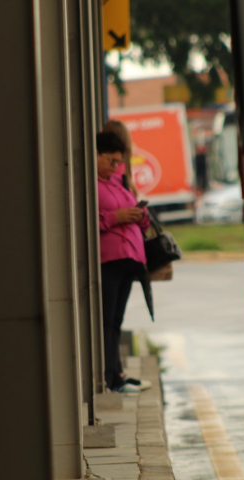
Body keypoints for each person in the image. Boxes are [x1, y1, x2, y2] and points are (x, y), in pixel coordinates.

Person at [97, 131, 151, 393]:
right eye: (111, 161)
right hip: (109, 260)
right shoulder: (90, 186)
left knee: (117, 319)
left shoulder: (119, 183)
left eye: (119, 162)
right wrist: (115, 217)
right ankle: (109, 378)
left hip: (129, 259)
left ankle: (116, 374)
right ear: (95, 156)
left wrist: (139, 215)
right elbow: (87, 222)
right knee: (106, 320)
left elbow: (145, 221)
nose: (115, 167)